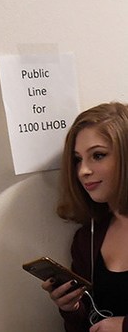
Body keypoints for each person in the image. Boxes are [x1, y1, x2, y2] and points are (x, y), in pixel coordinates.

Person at [42, 102, 128, 332]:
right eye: (78, 159)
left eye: (98, 155)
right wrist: (70, 307)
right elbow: (84, 325)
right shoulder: (87, 238)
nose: (83, 171)